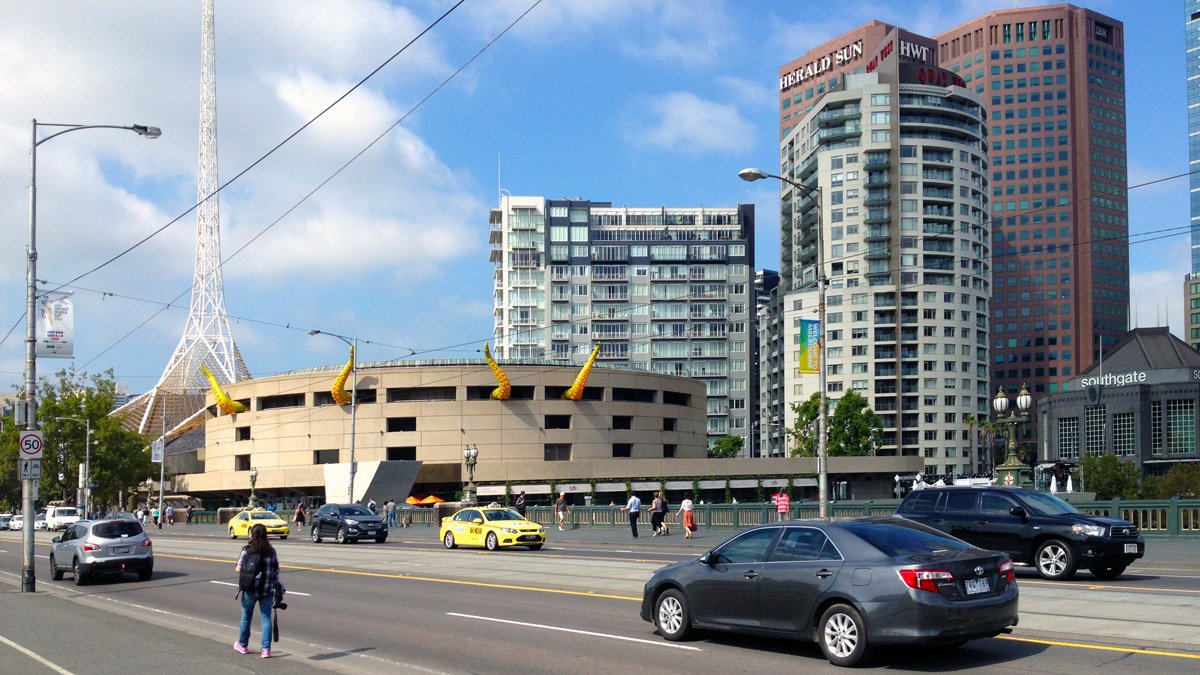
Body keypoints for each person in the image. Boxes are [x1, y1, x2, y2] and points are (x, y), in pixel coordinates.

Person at [234, 523, 284, 659]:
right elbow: (275, 570)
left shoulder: (247, 550)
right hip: (267, 590)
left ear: (252, 534)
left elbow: (238, 568)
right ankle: (266, 650)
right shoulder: (271, 551)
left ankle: (243, 645)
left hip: (250, 589)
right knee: (266, 619)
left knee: (246, 618)